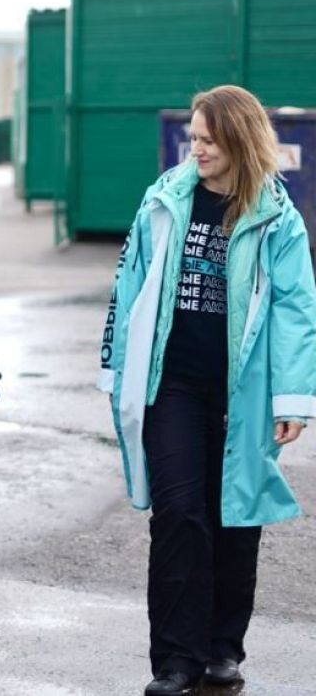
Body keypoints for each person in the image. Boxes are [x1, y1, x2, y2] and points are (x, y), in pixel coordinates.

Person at [100, 85, 316, 696]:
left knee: (236, 515)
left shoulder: (278, 218)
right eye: (191, 137)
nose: (194, 148)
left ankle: (223, 650)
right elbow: (130, 284)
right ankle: (174, 659)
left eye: (206, 139)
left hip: (244, 391)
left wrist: (293, 399)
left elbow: (298, 312)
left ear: (239, 141)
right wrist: (116, 368)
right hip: (172, 385)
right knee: (178, 514)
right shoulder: (164, 200)